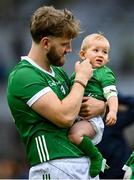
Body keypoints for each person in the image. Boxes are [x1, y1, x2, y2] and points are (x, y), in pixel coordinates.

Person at [7, 6, 106, 179]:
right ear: (46, 43)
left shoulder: (58, 73)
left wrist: (101, 106)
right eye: (64, 44)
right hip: (53, 166)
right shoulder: (23, 75)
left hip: (82, 163)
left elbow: (78, 105)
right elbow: (65, 116)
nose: (69, 49)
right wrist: (81, 78)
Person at [69, 33, 118, 177]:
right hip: (76, 117)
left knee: (74, 135)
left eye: (105, 52)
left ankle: (96, 156)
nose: (101, 54)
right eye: (96, 50)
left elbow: (112, 95)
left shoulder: (104, 73)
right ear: (83, 54)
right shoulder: (76, 74)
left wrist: (112, 111)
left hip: (92, 120)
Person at [98, 92, 134, 179]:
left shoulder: (112, 119)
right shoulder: (82, 123)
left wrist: (112, 95)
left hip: (122, 171)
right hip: (101, 174)